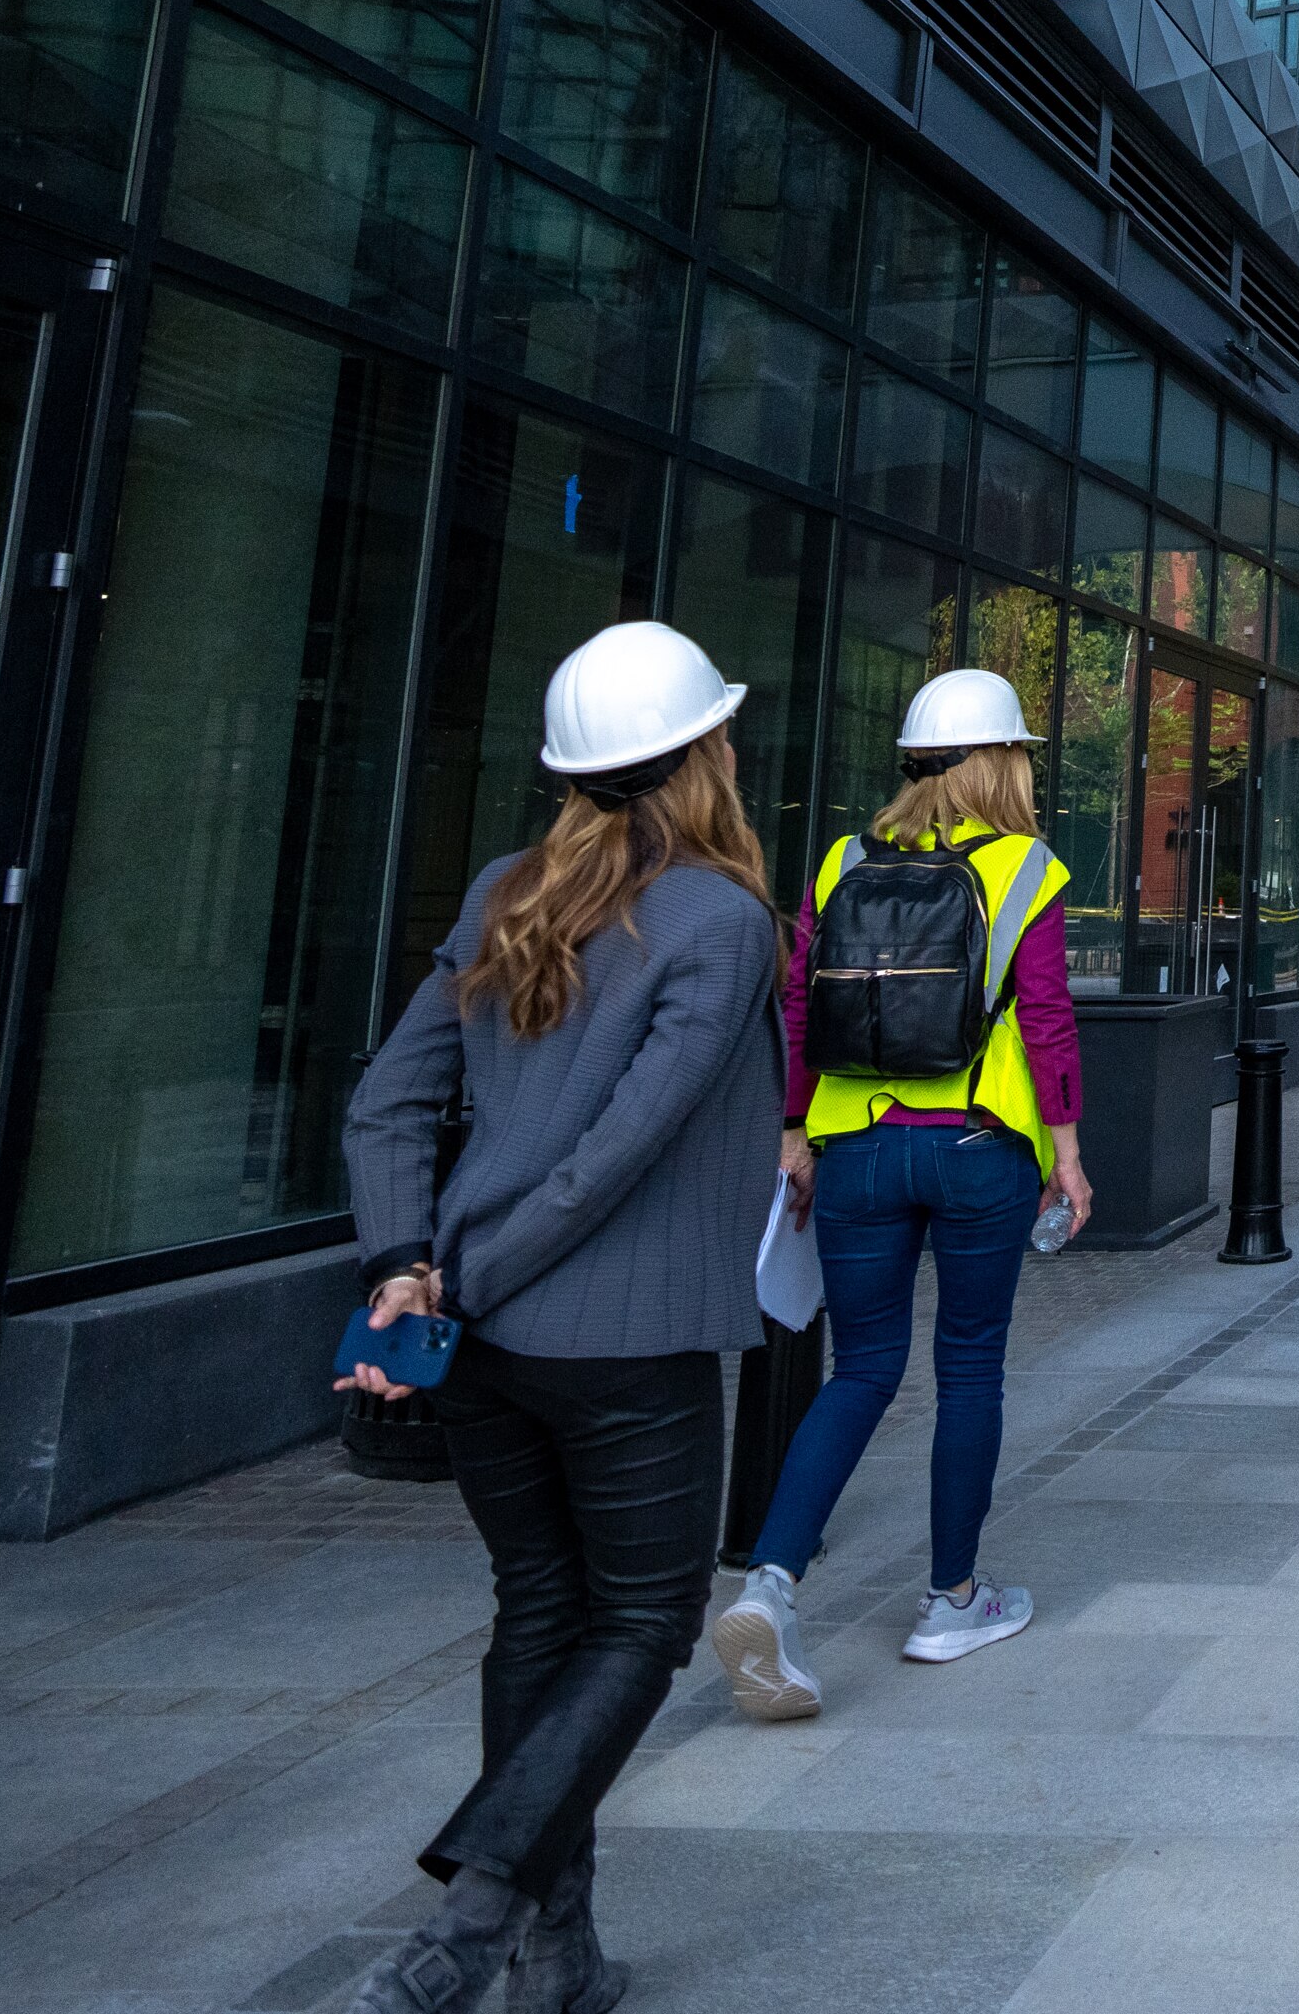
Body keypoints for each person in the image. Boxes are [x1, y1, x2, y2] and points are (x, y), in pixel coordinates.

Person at [333, 623, 777, 2014]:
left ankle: (557, 1958)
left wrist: (407, 1263)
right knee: (641, 1628)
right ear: (707, 753)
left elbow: (386, 1103)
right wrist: (460, 1276)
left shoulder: (508, 892)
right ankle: (466, 1933)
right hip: (623, 1343)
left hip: (488, 1350)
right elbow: (611, 1163)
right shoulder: (723, 921)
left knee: (538, 1611)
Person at [707, 668, 1093, 1721]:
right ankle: (951, 1601)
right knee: (969, 1368)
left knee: (859, 1369)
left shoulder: (840, 861)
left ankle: (771, 1586)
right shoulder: (1027, 870)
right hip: (979, 1148)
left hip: (857, 1148)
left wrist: (795, 1129)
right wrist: (1066, 1150)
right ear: (1001, 761)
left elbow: (801, 1001)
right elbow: (1048, 1021)